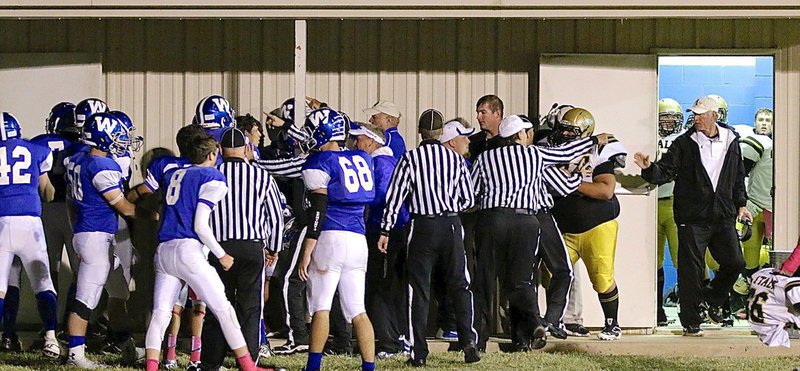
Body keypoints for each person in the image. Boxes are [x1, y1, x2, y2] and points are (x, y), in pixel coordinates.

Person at [471, 114, 604, 351]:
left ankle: (479, 341)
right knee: (522, 282)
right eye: (529, 133)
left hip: (493, 219)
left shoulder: (485, 157)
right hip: (526, 219)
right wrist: (593, 140)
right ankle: (536, 324)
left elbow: (472, 193)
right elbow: (565, 155)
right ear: (521, 135)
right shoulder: (534, 155)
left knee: (485, 281)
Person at [143, 134, 272, 371]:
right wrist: (221, 254)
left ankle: (151, 366)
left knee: (161, 313)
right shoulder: (211, 176)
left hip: (163, 250)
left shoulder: (173, 174)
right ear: (213, 154)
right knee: (223, 308)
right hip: (188, 250)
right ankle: (248, 365)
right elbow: (200, 224)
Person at [636, 96, 751, 337]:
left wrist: (741, 205)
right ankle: (691, 321)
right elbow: (665, 172)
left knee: (735, 263)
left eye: (701, 114)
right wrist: (648, 169)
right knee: (691, 269)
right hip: (692, 217)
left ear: (714, 115)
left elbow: (738, 176)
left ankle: (711, 298)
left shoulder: (732, 140)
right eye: (694, 114)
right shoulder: (684, 143)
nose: (696, 118)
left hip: (724, 215)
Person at [379, 109, 480, 366]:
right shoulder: (455, 160)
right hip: (451, 225)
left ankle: (419, 352)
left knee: (419, 290)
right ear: (441, 133)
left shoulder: (411, 158)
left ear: (421, 132)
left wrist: (385, 229)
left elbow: (395, 197)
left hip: (422, 226)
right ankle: (469, 342)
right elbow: (468, 199)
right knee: (460, 284)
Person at [296, 108, 376, 371]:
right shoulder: (363, 157)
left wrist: (308, 248)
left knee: (321, 307)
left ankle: (313, 366)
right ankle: (368, 367)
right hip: (358, 240)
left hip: (330, 237)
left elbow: (318, 209)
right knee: (357, 310)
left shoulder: (319, 163)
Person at [202, 128, 284, 369]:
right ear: (247, 149)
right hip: (251, 247)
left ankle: (211, 361)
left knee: (217, 305)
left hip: (219, 248)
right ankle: (247, 362)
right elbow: (275, 216)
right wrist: (274, 248)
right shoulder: (261, 175)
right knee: (250, 309)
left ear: (219, 150)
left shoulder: (211, 174)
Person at [63, 112, 139, 368]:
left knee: (117, 291)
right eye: (117, 136)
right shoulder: (102, 166)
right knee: (86, 299)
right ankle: (76, 355)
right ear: (103, 138)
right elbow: (126, 209)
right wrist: (159, 215)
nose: (122, 142)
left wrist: (77, 231)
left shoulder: (77, 159)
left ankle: (126, 347)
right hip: (96, 237)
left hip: (92, 234)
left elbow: (71, 203)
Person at [549, 107, 627, 341]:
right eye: (561, 129)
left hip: (596, 226)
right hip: (563, 227)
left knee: (602, 279)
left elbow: (605, 190)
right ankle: (555, 320)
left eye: (570, 131)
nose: (563, 135)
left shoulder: (599, 152)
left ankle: (612, 324)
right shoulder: (549, 148)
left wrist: (569, 184)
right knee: (554, 274)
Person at [0, 112, 61, 359]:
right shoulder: (37, 150)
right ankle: (50, 339)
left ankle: (5, 336)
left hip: (2, 222)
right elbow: (47, 192)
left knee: (1, 287)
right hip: (30, 224)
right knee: (43, 284)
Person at [351, 122, 410, 359]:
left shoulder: (382, 163)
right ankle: (393, 337)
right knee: (387, 286)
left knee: (381, 287)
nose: (355, 144)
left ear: (372, 141)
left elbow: (386, 197)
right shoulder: (382, 162)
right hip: (387, 229)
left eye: (358, 139)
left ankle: (390, 342)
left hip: (386, 231)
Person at [655, 98, 685, 326]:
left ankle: (689, 305)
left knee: (681, 258)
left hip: (676, 202)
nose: (668, 122)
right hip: (652, 203)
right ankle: (656, 309)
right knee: (654, 261)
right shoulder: (649, 137)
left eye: (673, 117)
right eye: (664, 116)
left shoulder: (683, 140)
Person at [740, 108, 774, 275]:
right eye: (761, 119)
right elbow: (739, 173)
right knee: (749, 259)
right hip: (753, 205)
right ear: (754, 122)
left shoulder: (782, 143)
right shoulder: (756, 141)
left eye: (768, 120)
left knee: (775, 258)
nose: (764, 123)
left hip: (774, 208)